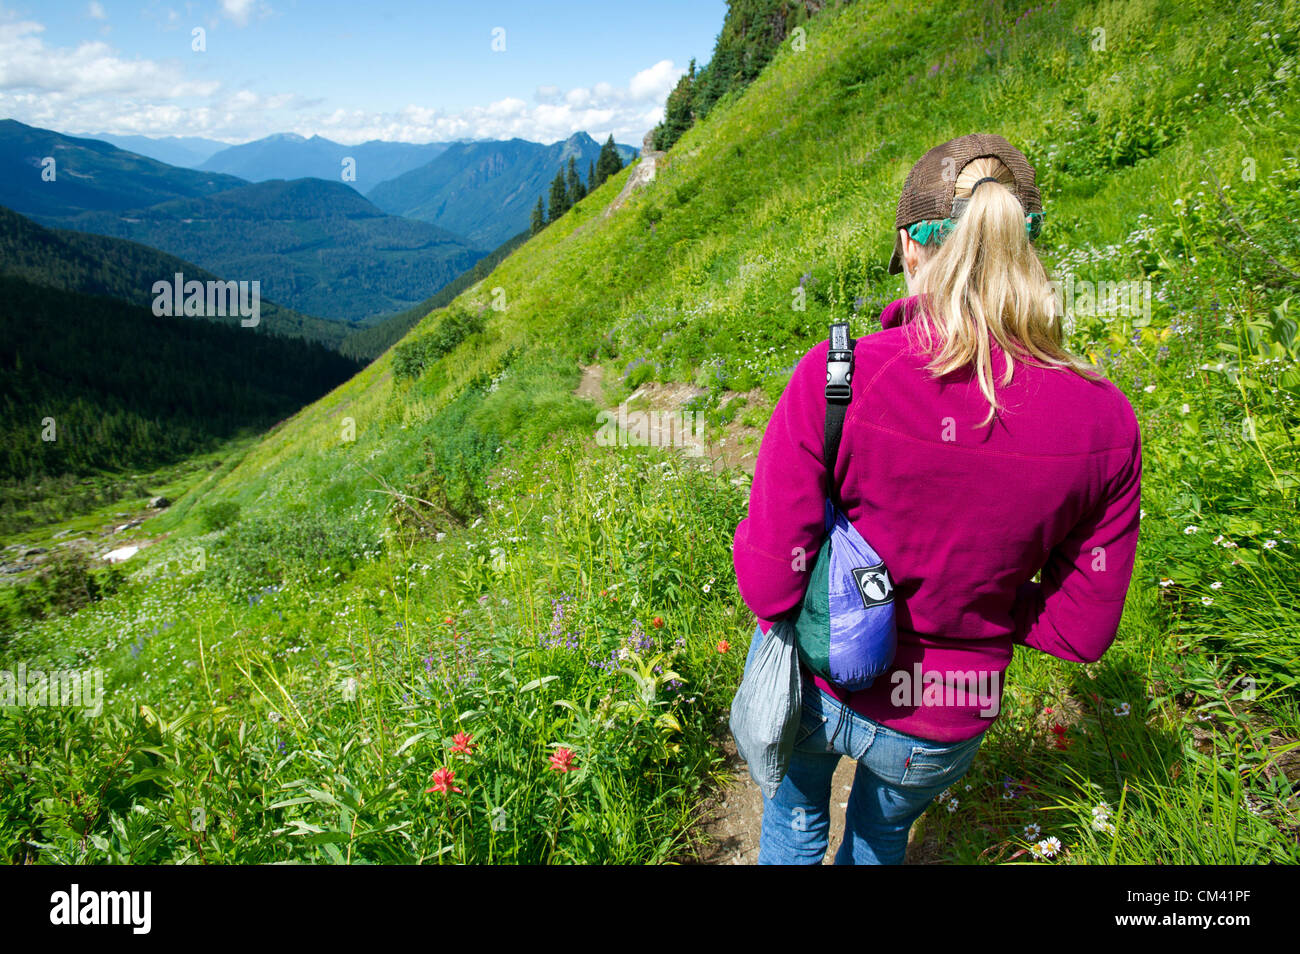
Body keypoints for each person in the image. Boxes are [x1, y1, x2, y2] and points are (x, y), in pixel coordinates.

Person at [732, 133, 1142, 865]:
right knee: (882, 835)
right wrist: (986, 604)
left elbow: (769, 582)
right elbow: (1083, 633)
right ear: (1027, 246)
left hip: (821, 685)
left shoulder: (841, 379)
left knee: (795, 820)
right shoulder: (1106, 421)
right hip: (944, 716)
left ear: (913, 252)